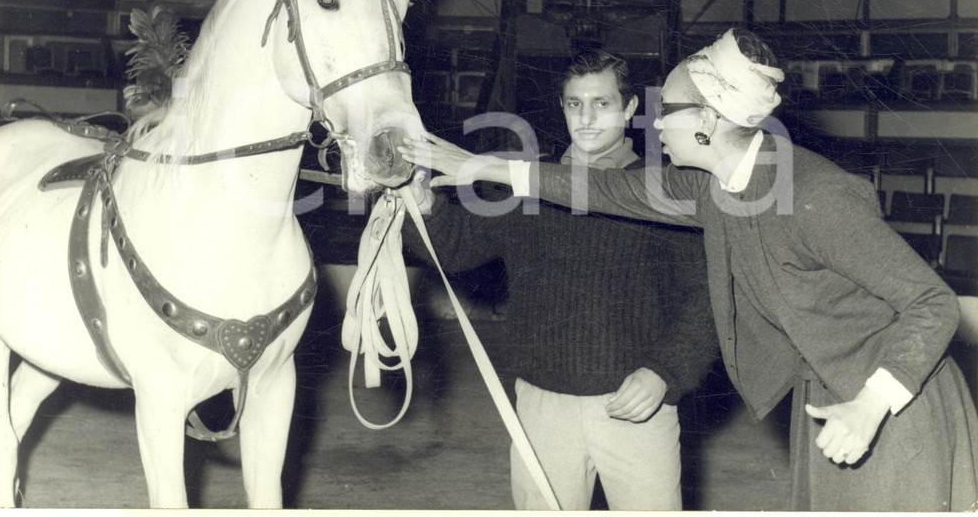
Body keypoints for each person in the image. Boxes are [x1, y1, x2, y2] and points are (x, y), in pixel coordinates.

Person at [399, 29, 978, 512]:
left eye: (665, 113)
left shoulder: (814, 194)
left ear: (707, 118)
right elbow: (600, 189)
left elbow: (934, 303)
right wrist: (477, 165)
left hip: (897, 406)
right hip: (829, 398)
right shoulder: (712, 189)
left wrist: (872, 403)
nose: (653, 127)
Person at [404, 50, 717, 510]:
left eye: (602, 104)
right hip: (542, 406)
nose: (586, 119)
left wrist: (665, 373)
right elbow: (457, 246)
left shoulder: (662, 190)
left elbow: (706, 299)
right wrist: (424, 207)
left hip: (636, 408)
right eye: (575, 104)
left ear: (630, 109)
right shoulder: (532, 187)